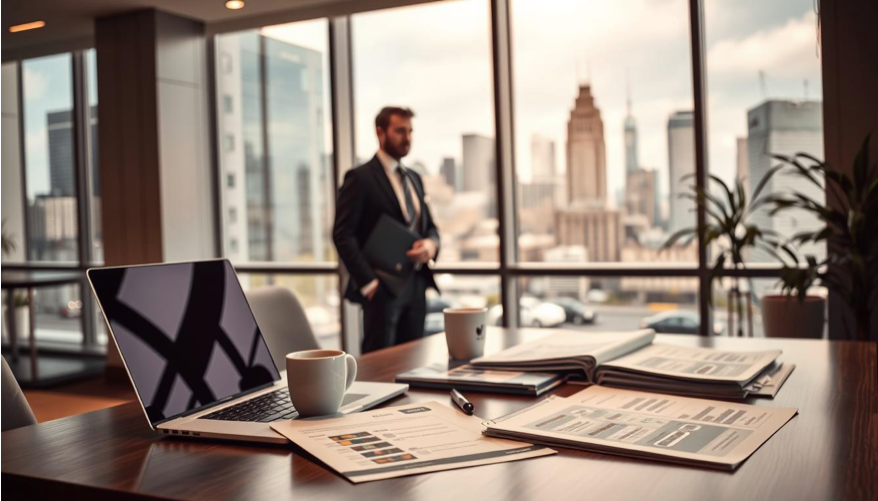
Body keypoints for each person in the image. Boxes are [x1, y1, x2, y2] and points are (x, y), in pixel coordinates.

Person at [333, 106, 441, 354]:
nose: (407, 138)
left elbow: (431, 227)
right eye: (400, 131)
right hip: (381, 288)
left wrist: (431, 246)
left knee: (414, 363)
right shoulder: (359, 178)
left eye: (410, 131)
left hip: (416, 284)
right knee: (378, 366)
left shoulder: (414, 177)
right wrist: (369, 284)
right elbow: (342, 234)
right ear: (380, 133)